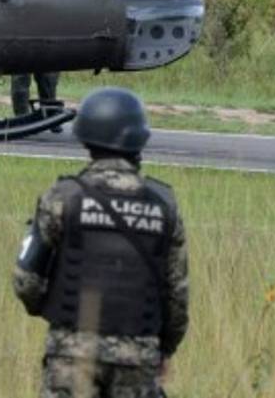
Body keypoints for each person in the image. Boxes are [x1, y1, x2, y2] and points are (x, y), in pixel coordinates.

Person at [13, 87, 188, 398]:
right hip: (138, 358)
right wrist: (163, 348)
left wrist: (59, 314)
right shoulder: (163, 205)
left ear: (85, 138)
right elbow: (176, 297)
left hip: (73, 354)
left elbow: (26, 282)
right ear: (139, 139)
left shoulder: (63, 197)